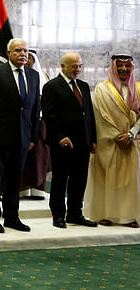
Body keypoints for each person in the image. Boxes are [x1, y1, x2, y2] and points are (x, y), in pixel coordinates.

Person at [0, 38, 40, 233]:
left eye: (25, 50)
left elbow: (33, 109)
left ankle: (12, 217)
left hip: (22, 138)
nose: (23, 54)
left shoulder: (33, 75)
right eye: (18, 50)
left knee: (15, 180)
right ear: (8, 54)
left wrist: (32, 137)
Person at [41, 52, 97, 228]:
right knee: (60, 179)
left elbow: (89, 115)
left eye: (80, 65)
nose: (77, 69)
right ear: (63, 66)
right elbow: (49, 116)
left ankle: (75, 213)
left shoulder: (84, 86)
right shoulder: (52, 86)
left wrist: (93, 139)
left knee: (79, 179)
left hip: (83, 142)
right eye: (74, 66)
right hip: (64, 142)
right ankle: (58, 215)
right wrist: (59, 137)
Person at [84, 54, 140, 227]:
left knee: (130, 181)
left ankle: (130, 216)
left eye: (127, 66)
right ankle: (106, 214)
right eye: (119, 65)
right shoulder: (102, 88)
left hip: (133, 143)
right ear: (113, 67)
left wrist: (131, 134)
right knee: (107, 179)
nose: (123, 69)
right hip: (108, 143)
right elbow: (100, 117)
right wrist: (117, 136)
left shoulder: (138, 88)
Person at [20, 49, 51, 200]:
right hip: (23, 122)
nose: (28, 60)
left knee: (39, 156)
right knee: (23, 157)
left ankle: (38, 188)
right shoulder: (20, 76)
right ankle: (23, 188)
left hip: (40, 122)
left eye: (30, 58)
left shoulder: (43, 77)